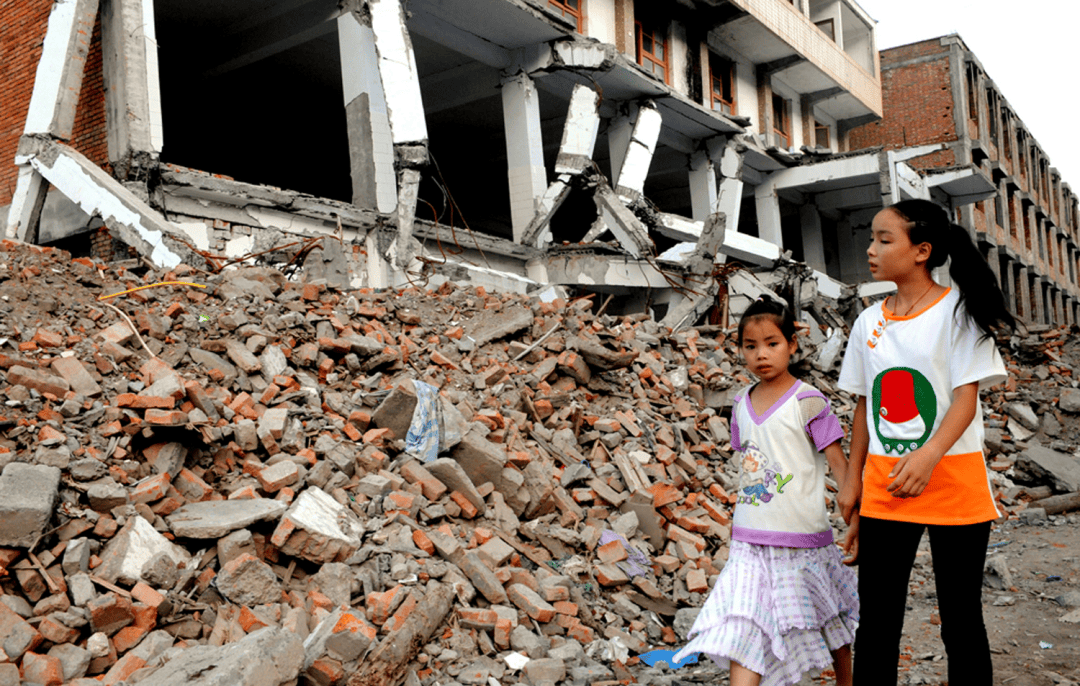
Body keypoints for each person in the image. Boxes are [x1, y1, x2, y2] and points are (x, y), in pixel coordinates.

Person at [837, 199, 1015, 685]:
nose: (871, 250)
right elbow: (862, 407)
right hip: (885, 490)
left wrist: (929, 454)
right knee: (876, 626)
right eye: (871, 239)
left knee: (960, 622)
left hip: (954, 485)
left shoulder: (959, 311)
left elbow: (965, 398)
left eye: (884, 239)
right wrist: (853, 486)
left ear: (923, 251)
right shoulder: (867, 322)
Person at [673, 297, 860, 686]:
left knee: (829, 616)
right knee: (748, 624)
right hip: (750, 540)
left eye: (772, 343)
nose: (761, 354)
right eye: (751, 345)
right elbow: (752, 463)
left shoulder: (809, 402)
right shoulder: (740, 403)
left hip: (802, 539)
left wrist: (855, 520)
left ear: (793, 344)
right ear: (740, 349)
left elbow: (840, 467)